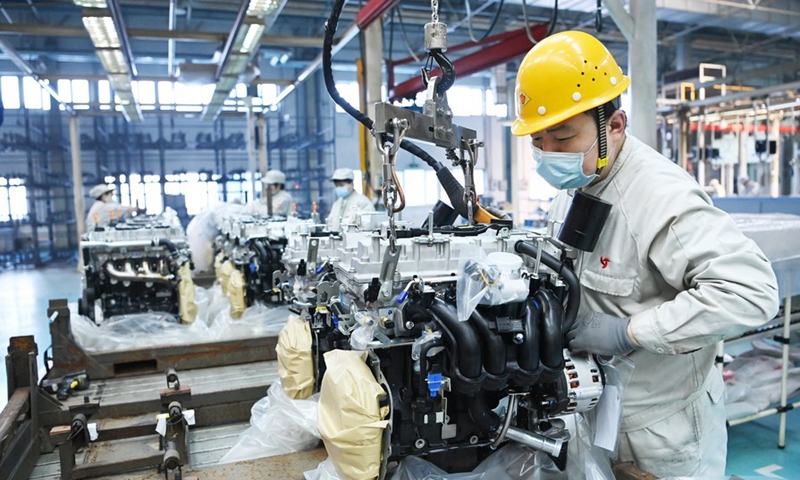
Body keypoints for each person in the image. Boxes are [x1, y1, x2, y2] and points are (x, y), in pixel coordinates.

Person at [511, 31, 778, 478]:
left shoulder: (660, 197)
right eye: (537, 140)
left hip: (663, 430)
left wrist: (630, 331)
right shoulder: (578, 181)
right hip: (595, 412)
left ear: (613, 126)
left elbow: (751, 292)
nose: (547, 154)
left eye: (561, 136)